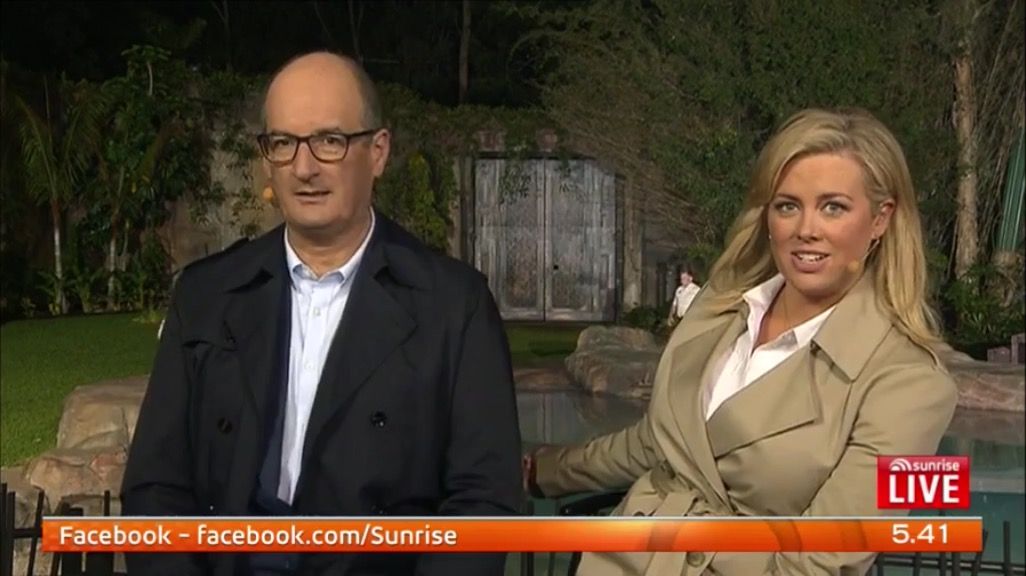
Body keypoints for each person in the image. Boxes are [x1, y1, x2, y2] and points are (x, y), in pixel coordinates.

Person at [122, 51, 522, 576]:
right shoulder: (207, 294)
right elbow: (154, 487)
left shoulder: (453, 305)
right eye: (283, 143)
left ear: (378, 152)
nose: (304, 168)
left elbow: (483, 502)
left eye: (330, 141)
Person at [523, 107, 958, 575]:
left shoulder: (915, 385)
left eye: (833, 207)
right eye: (787, 205)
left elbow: (820, 564)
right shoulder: (719, 306)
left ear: (880, 219)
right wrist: (545, 471)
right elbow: (659, 441)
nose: (806, 229)